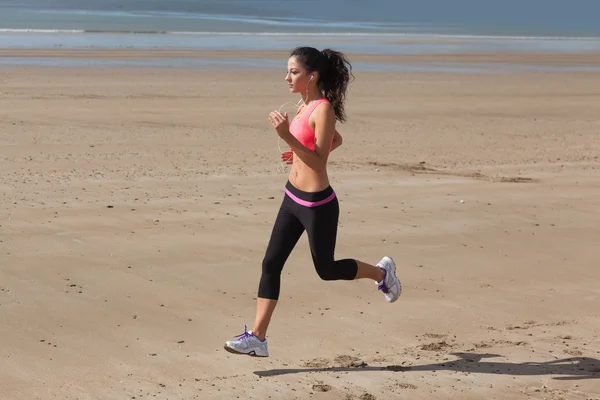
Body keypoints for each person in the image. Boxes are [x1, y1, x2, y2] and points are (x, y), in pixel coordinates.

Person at [224, 46, 401, 357]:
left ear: (312, 76)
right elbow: (335, 141)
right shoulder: (303, 105)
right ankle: (258, 338)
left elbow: (319, 163)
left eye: (294, 72)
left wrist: (288, 137)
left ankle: (381, 274)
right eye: (288, 71)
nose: (287, 77)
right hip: (291, 198)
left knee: (327, 269)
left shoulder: (323, 109)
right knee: (270, 264)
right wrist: (297, 153)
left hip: (317, 205)